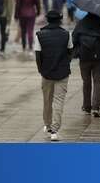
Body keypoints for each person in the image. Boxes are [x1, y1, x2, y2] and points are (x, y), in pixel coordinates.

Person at [34, 10, 73, 141]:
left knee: (47, 100)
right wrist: (64, 64)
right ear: (60, 20)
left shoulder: (39, 35)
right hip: (62, 73)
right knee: (59, 101)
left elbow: (38, 56)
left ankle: (47, 124)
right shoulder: (66, 35)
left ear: (47, 20)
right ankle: (55, 130)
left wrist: (42, 70)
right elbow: (70, 52)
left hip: (46, 73)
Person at [72, 14, 100, 117]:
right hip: (98, 57)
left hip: (84, 57)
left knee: (86, 82)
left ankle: (86, 107)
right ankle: (95, 107)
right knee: (98, 82)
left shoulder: (81, 23)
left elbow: (74, 39)